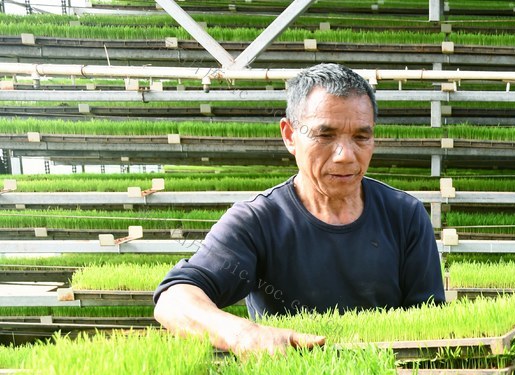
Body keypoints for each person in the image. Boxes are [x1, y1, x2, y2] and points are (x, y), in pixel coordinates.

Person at [153, 63, 445, 356]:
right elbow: (174, 299)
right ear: (290, 135)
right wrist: (244, 335)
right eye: (325, 136)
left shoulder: (405, 216)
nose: (345, 156)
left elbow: (429, 329)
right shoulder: (257, 221)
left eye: (360, 137)